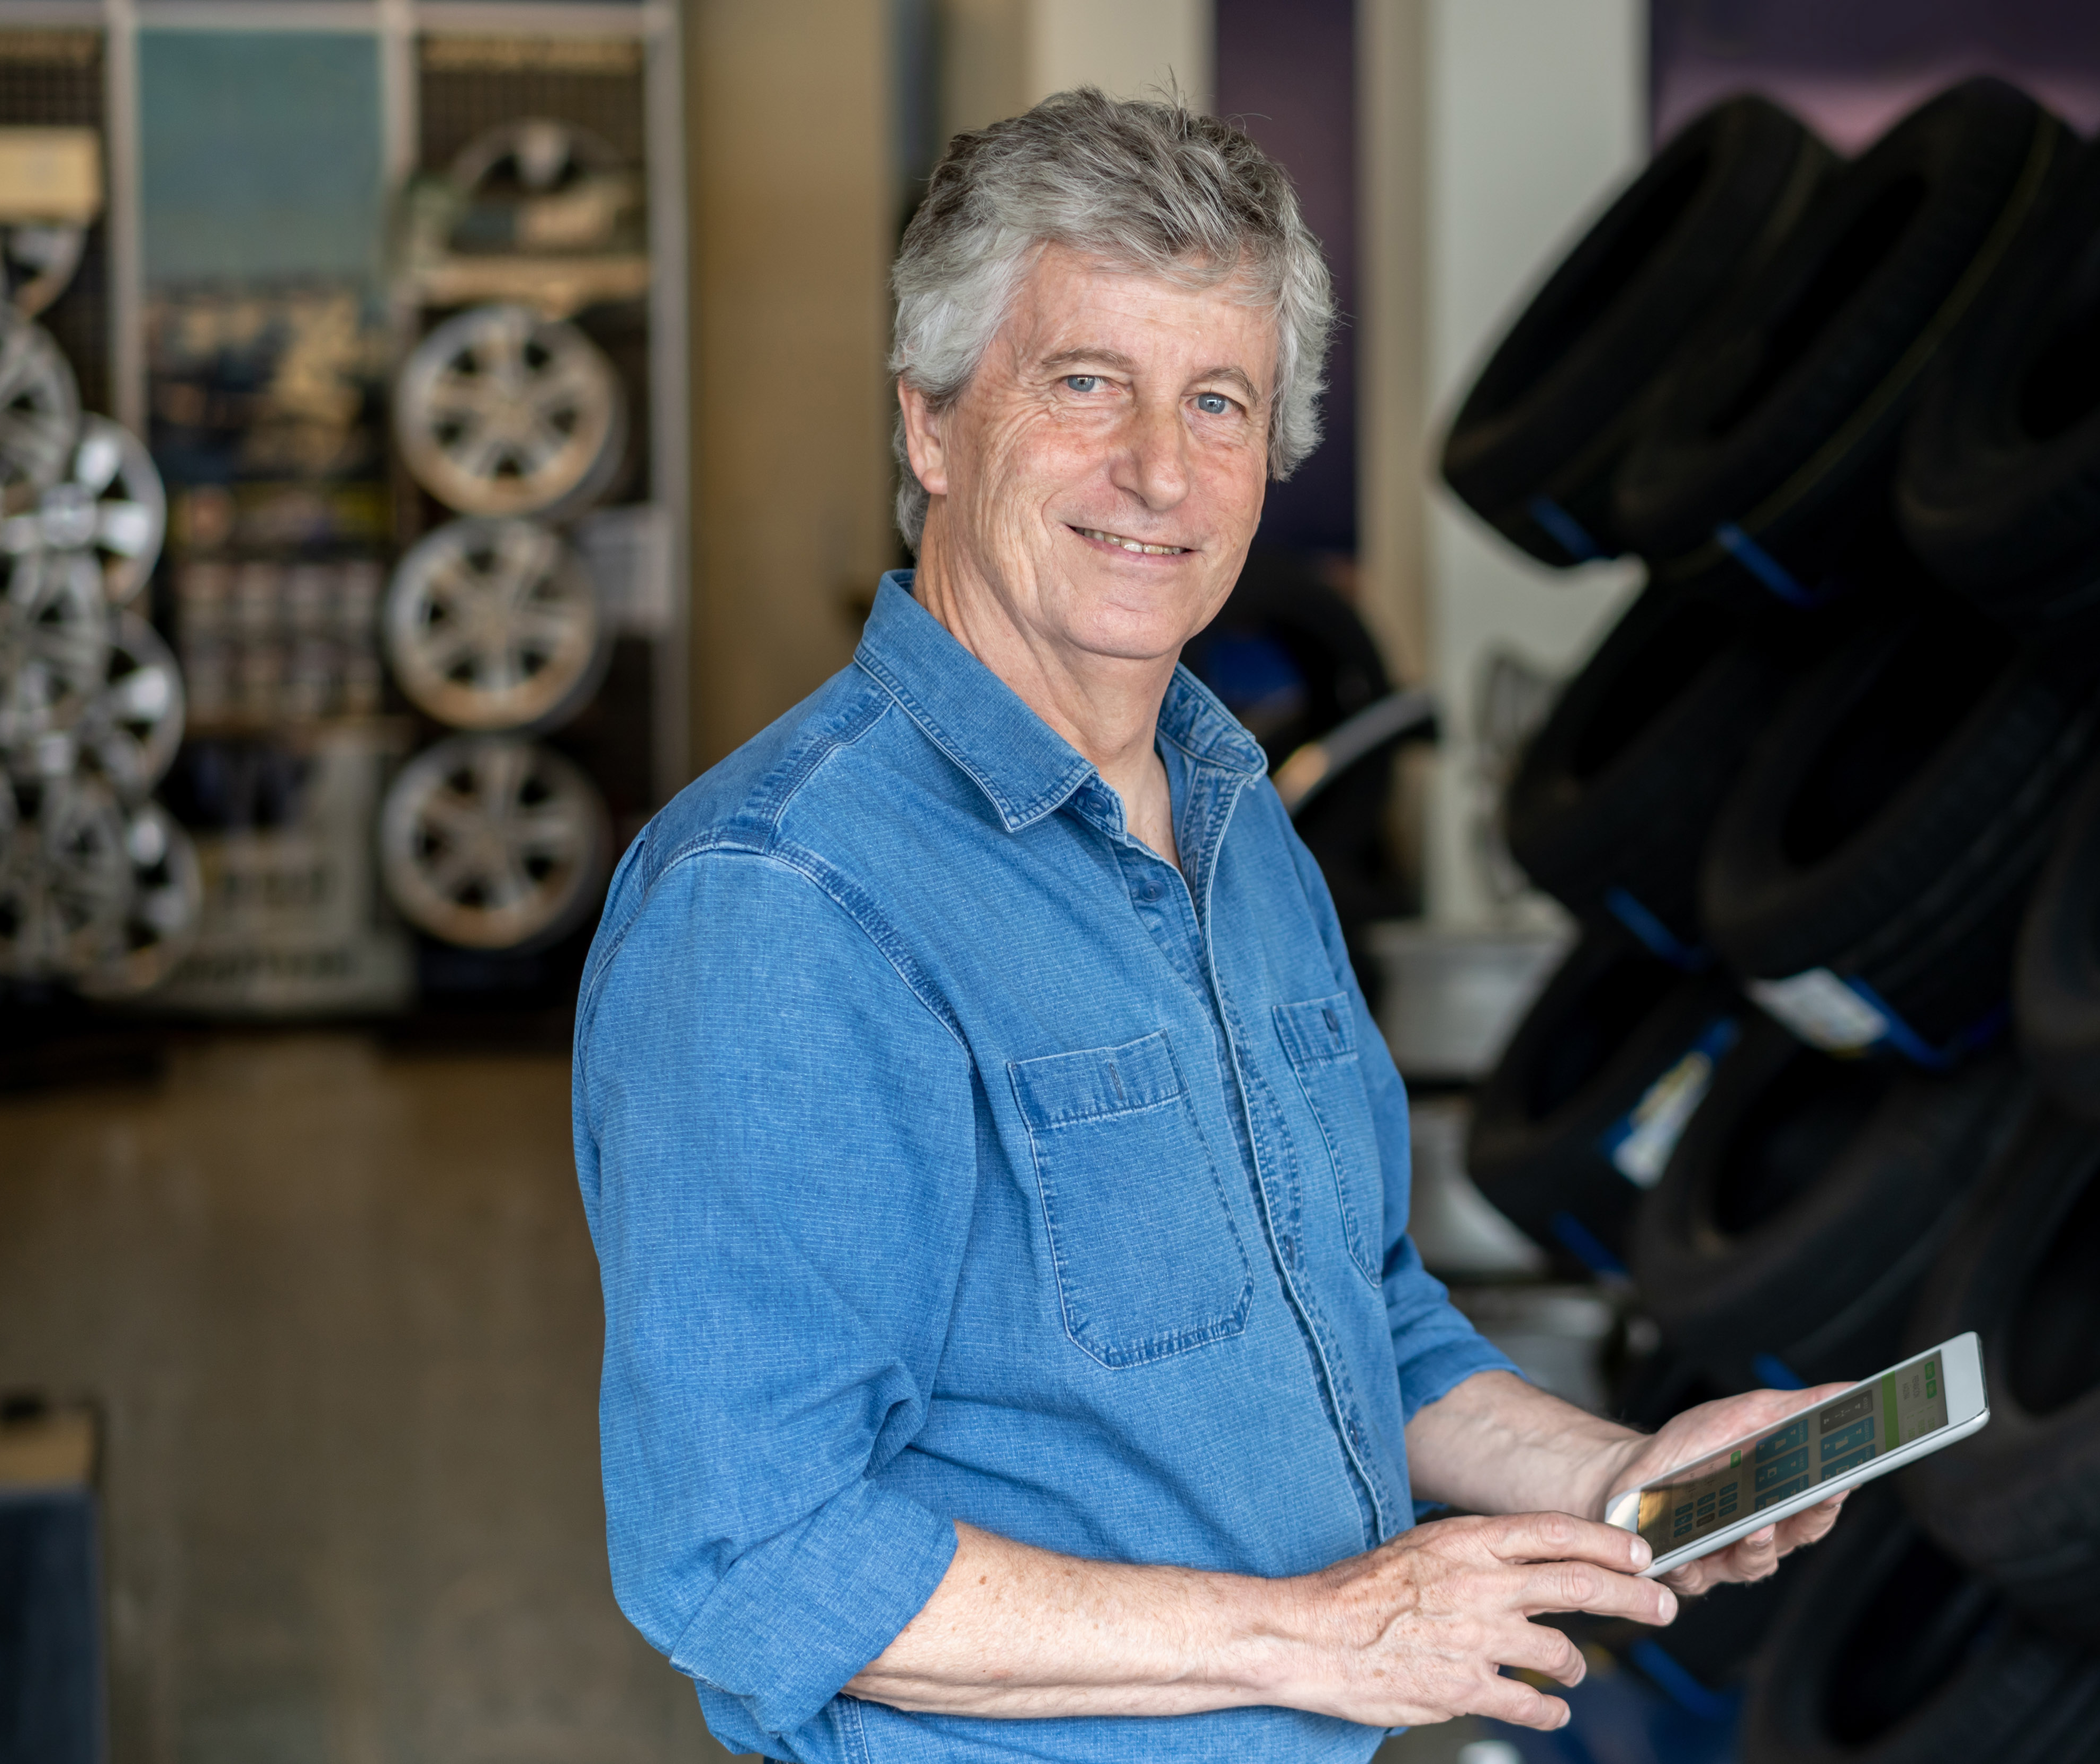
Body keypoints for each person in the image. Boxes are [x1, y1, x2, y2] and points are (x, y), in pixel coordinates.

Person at [571, 88, 1843, 1764]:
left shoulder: (1235, 829)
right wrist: (1325, 1635)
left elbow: (1361, 1318)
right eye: (1085, 382)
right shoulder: (784, 902)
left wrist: (1621, 1481)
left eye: (1218, 401)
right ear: (933, 428)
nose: (1158, 471)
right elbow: (755, 1555)